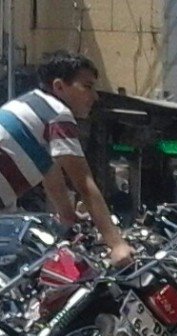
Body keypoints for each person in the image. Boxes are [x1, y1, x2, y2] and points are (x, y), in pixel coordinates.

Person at [1, 51, 132, 264]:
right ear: (59, 87)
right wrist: (117, 244)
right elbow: (85, 184)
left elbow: (51, 174)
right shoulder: (58, 114)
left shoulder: (33, 106)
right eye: (87, 87)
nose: (95, 96)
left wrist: (68, 217)